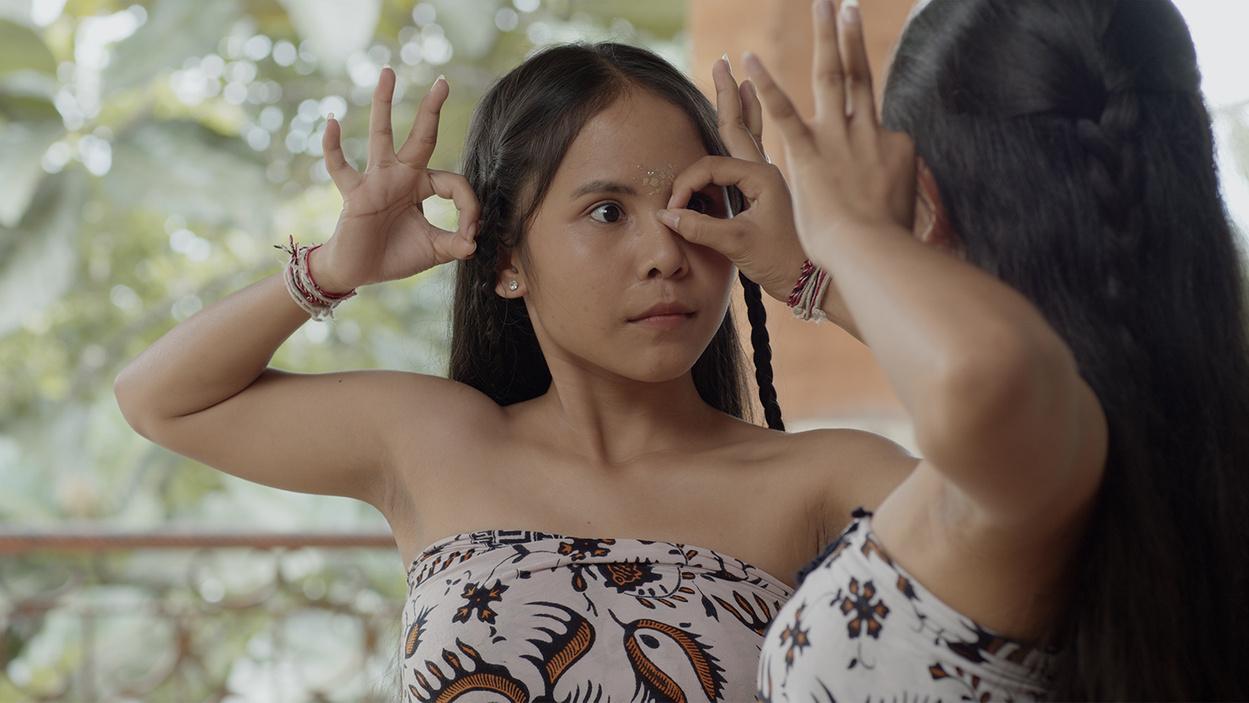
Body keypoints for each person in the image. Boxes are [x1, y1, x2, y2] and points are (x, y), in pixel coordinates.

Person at [113, 42, 918, 700]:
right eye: (608, 213)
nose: (665, 253)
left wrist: (813, 280)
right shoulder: (433, 441)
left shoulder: (819, 480)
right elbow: (161, 399)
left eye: (697, 206)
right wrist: (331, 267)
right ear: (505, 260)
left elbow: (1031, 480)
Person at [655, 0, 1249, 699]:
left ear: (923, 196)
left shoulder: (1036, 447)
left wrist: (846, 229)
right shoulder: (1179, 430)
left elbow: (990, 375)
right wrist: (809, 274)